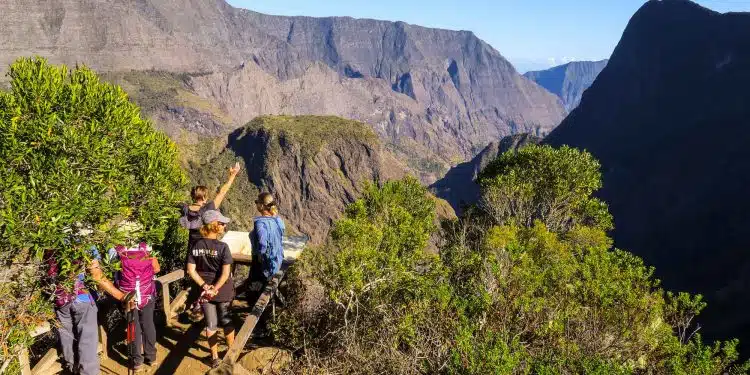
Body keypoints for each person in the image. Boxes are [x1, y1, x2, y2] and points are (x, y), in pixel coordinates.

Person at [48, 246, 128, 375]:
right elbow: (97, 276)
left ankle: (71, 368)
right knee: (87, 340)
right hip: (82, 298)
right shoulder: (85, 244)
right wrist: (121, 296)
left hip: (60, 300)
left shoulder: (50, 243)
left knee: (67, 337)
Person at [186, 210, 236, 368]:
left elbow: (191, 270)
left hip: (205, 292)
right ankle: (231, 353)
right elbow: (226, 273)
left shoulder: (196, 245)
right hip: (223, 290)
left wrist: (205, 286)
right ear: (214, 226)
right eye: (221, 223)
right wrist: (216, 288)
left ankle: (214, 358)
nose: (224, 225)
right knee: (227, 321)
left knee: (211, 324)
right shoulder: (223, 247)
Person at [109, 242, 161, 372]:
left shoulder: (115, 250)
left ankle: (137, 362)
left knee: (133, 327)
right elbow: (157, 268)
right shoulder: (145, 246)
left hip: (127, 296)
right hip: (147, 293)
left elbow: (113, 272)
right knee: (148, 324)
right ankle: (151, 358)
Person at [182, 162, 241, 251]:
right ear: (204, 197)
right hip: (205, 251)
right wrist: (232, 176)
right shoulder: (207, 209)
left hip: (191, 250)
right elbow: (222, 192)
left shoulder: (185, 209)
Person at [249, 192, 285, 284]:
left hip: (262, 265)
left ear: (262, 205)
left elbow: (262, 242)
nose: (256, 204)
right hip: (275, 262)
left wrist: (260, 258)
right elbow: (281, 232)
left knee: (255, 290)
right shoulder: (277, 220)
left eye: (257, 202)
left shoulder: (260, 223)